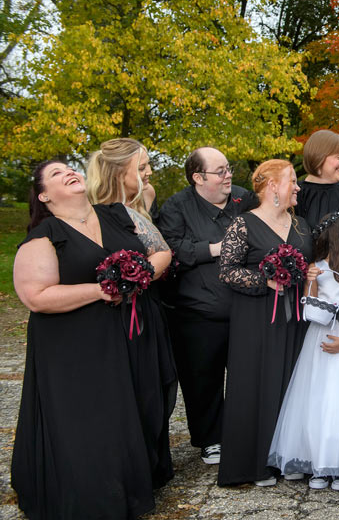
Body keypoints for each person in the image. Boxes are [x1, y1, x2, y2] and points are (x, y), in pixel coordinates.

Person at [12, 161, 176, 519]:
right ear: (43, 195)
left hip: (132, 330)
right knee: (95, 416)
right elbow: (36, 296)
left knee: (139, 401)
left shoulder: (119, 214)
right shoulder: (44, 236)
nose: (68, 172)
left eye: (69, 168)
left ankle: (135, 480)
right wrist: (103, 289)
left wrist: (140, 274)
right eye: (56, 174)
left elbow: (161, 250)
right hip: (75, 344)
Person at [156, 147, 258, 466]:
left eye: (229, 169)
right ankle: (211, 439)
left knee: (248, 374)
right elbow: (169, 248)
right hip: (197, 311)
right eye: (220, 171)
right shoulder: (177, 206)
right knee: (203, 377)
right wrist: (218, 248)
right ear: (198, 178)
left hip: (245, 306)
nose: (229, 176)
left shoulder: (245, 199)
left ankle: (249, 433)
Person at [217, 159, 313, 487]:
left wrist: (310, 273)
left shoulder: (300, 225)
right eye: (292, 181)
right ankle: (255, 462)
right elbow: (227, 270)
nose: (297, 187)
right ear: (272, 185)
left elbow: (309, 263)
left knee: (293, 381)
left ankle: (290, 456)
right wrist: (265, 280)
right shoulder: (243, 224)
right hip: (256, 317)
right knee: (258, 381)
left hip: (297, 317)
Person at [268, 210, 339, 492]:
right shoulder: (316, 267)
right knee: (317, 399)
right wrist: (311, 281)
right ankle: (317, 463)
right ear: (335, 238)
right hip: (320, 341)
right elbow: (310, 308)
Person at [86, 137, 156, 219]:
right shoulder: (90, 202)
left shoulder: (147, 193)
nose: (150, 172)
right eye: (141, 168)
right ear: (118, 174)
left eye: (148, 164)